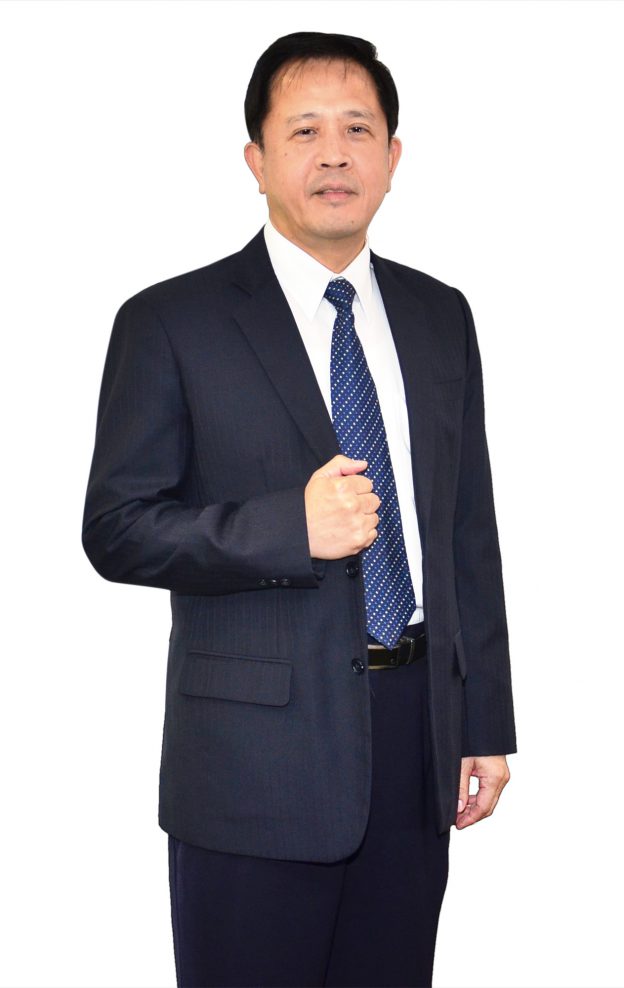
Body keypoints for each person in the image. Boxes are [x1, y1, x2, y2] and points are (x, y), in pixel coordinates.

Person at [82, 31, 517, 988]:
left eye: (358, 130)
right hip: (253, 759)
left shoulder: (440, 315)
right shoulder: (171, 321)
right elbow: (116, 527)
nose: (334, 155)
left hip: (415, 740)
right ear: (257, 159)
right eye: (305, 130)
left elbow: (466, 530)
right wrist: (290, 528)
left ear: (392, 156)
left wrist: (483, 716)